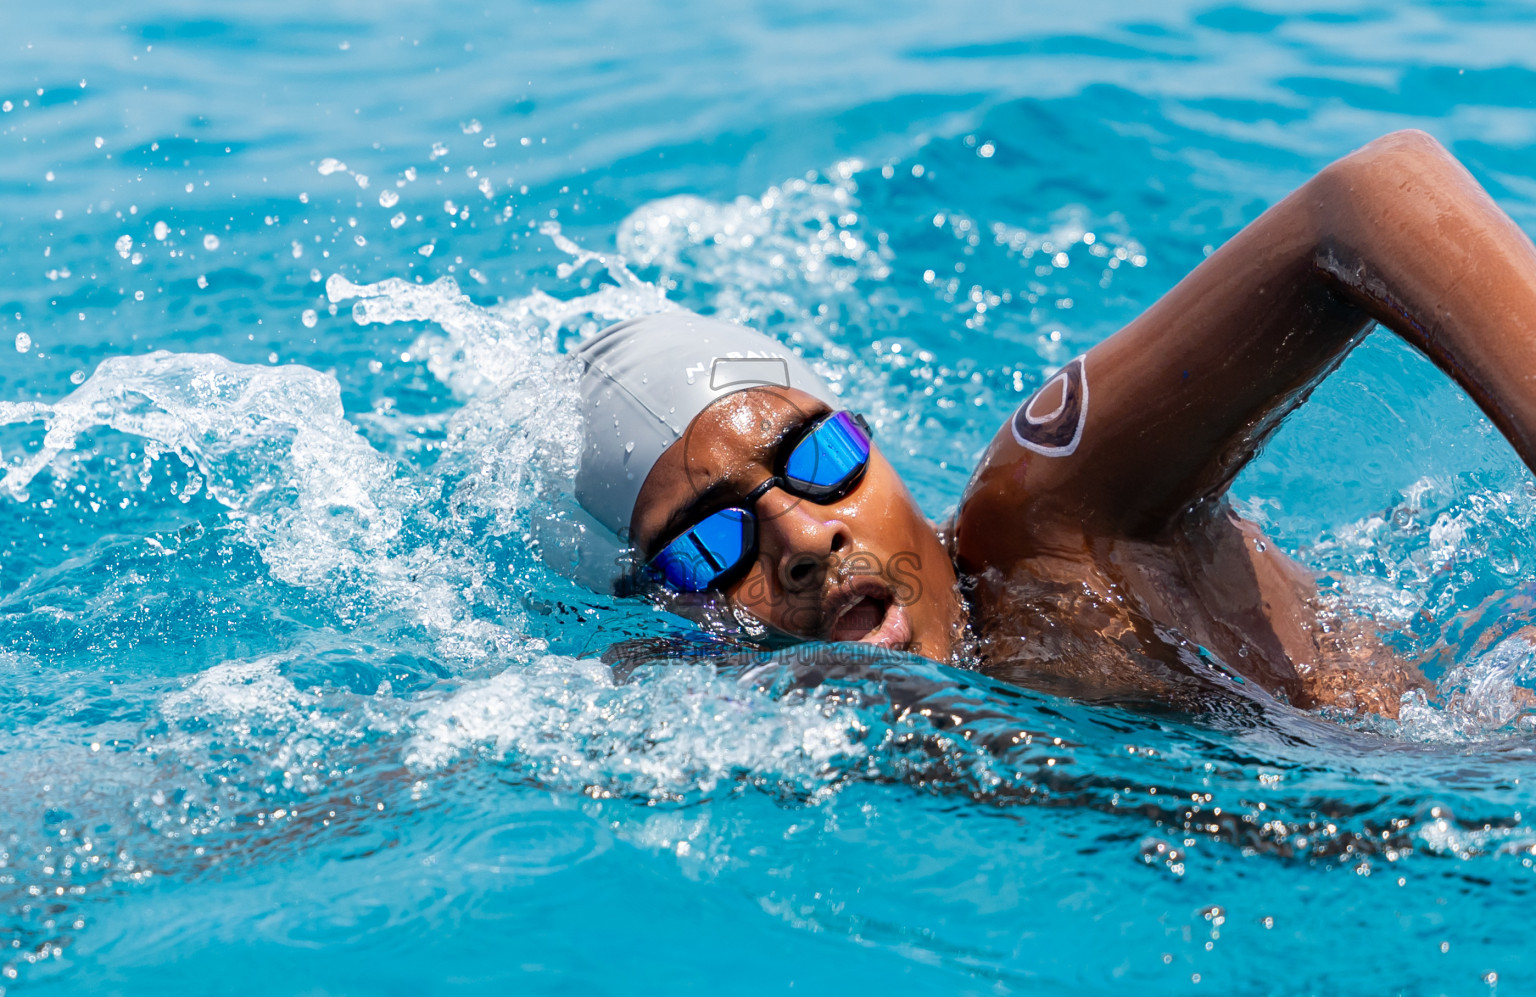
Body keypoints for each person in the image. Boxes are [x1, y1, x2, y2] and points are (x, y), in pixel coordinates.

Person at [571, 130, 1536, 717]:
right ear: (669, 615)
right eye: (708, 541)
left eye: (821, 456)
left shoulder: (1049, 517)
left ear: (878, 445)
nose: (805, 535)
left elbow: (1371, 200)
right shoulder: (752, 717)